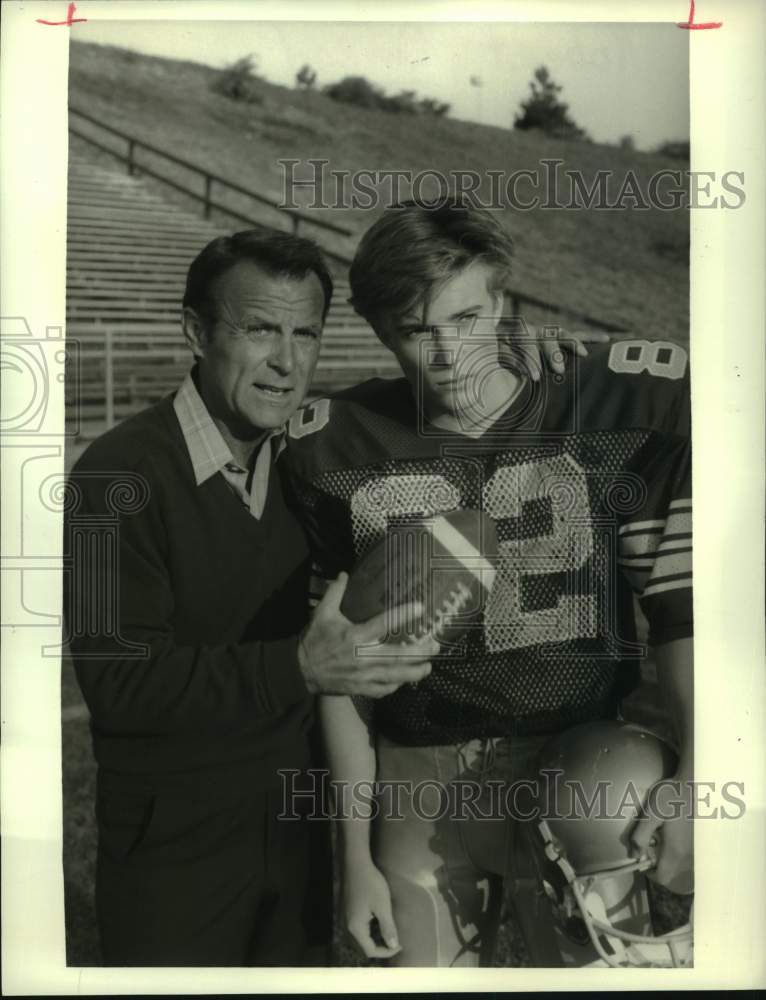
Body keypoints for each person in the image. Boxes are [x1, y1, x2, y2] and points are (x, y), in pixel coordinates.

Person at [284, 198, 693, 967]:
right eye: (416, 330)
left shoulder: (614, 400)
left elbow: (681, 611)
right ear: (378, 331)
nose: (450, 354)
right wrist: (354, 858)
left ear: (503, 301)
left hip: (583, 767)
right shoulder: (331, 443)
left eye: (469, 318)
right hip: (418, 779)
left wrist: (701, 777)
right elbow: (343, 677)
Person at [64, 228, 439, 967]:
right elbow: (118, 685)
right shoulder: (112, 478)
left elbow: (432, 396)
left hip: (295, 845)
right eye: (260, 329)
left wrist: (543, 370)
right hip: (173, 852)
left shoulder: (306, 461)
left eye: (306, 333)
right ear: (196, 333)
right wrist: (296, 669)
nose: (287, 361)